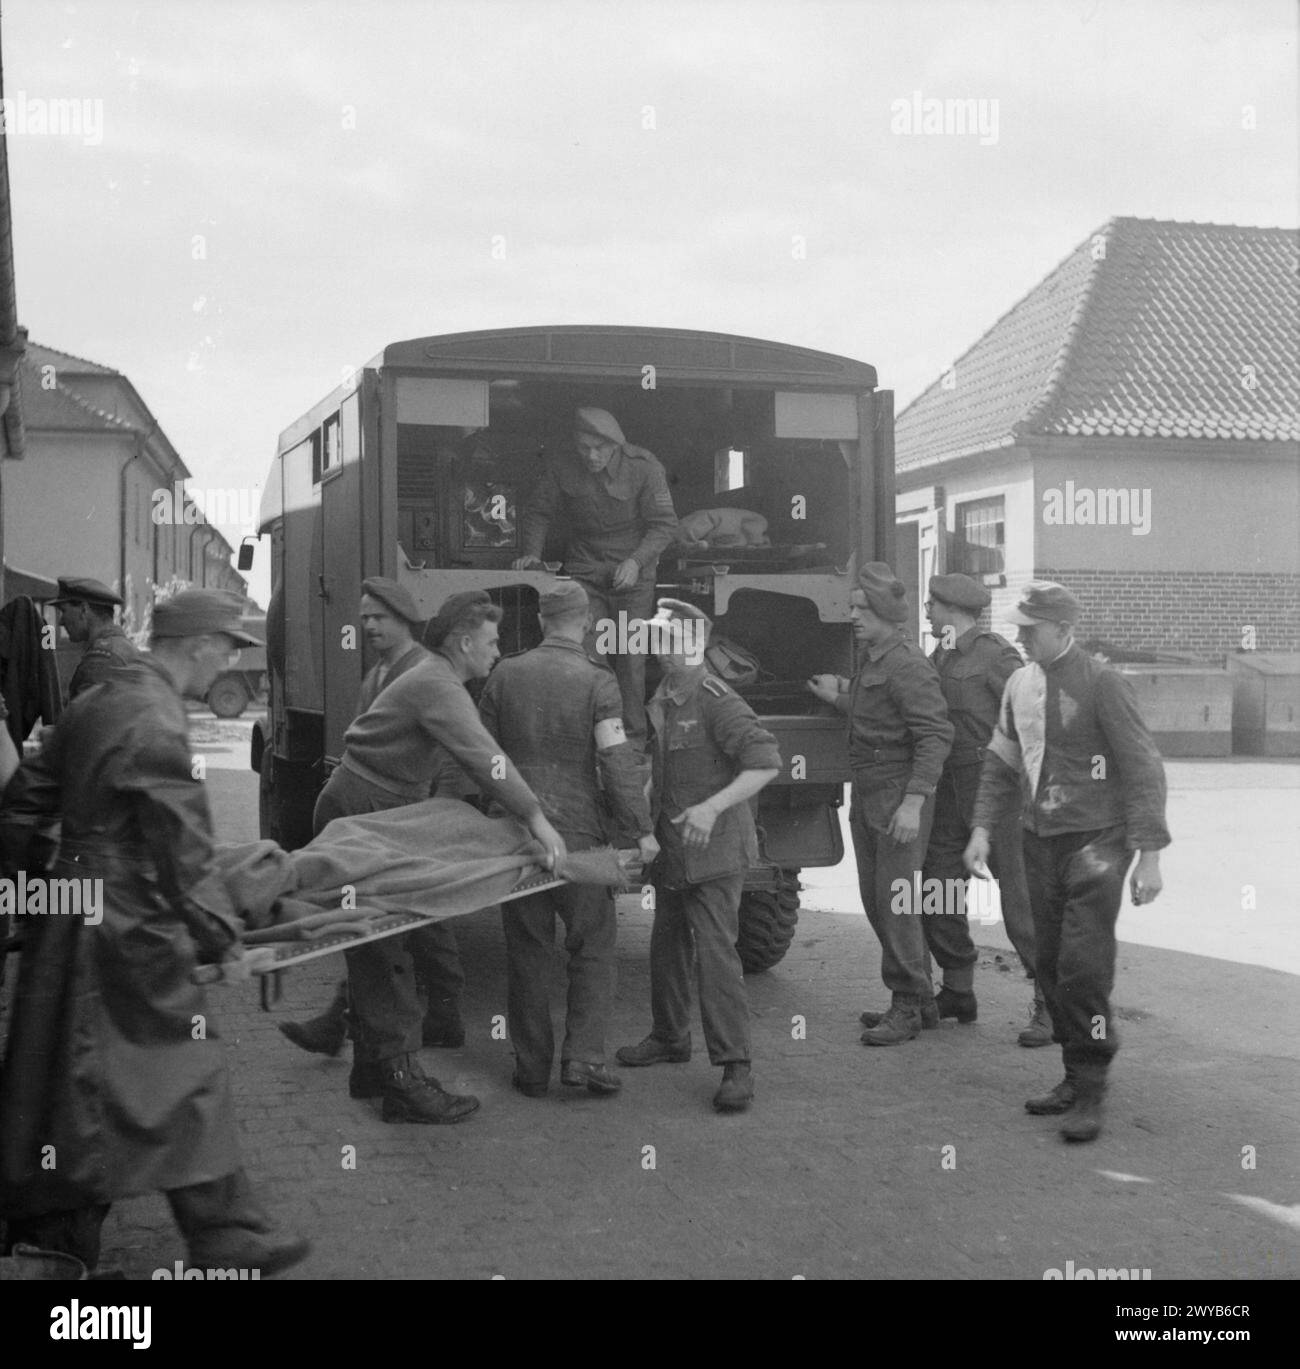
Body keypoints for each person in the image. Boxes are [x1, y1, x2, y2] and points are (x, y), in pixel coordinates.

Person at [0, 589, 309, 1275]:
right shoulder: (158, 722)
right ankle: (211, 1231)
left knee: (60, 1074)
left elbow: (21, 803)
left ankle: (67, 1235)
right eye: (226, 646)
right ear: (198, 645)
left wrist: (36, 892)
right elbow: (185, 852)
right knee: (174, 1065)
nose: (229, 660)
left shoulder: (97, 701)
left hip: (69, 909)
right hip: (129, 922)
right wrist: (224, 938)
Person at [315, 589, 567, 1124]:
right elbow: (487, 761)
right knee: (389, 950)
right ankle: (402, 1084)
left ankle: (372, 1071)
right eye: (493, 641)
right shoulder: (438, 683)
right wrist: (536, 819)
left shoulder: (434, 675)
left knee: (373, 946)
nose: (498, 651)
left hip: (365, 800)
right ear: (465, 640)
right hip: (367, 803)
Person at [964, 581, 1170, 1143]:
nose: (1022, 636)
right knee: (1051, 963)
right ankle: (1073, 1076)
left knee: (1083, 966)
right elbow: (1000, 763)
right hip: (1038, 839)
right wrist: (982, 828)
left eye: (1031, 628)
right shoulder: (1019, 683)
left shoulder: (1104, 683)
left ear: (1063, 628)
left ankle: (1092, 1085)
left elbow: (1144, 768)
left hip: (1098, 844)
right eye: (1019, 627)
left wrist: (1150, 857)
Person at [479, 581, 658, 1098]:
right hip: (579, 837)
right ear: (586, 623)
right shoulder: (597, 681)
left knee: (529, 951)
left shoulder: (505, 674)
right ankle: (583, 1059)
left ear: (539, 621)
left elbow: (482, 756)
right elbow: (616, 761)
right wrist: (641, 829)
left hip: (518, 836)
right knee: (594, 946)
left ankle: (531, 1069)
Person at [278, 577, 466, 1058]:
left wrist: (437, 809)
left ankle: (443, 1017)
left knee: (426, 914)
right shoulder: (378, 673)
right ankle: (346, 1022)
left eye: (378, 618)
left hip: (413, 811)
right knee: (383, 917)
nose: (368, 626)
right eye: (363, 618)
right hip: (383, 812)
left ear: (405, 620)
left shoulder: (425, 670)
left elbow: (451, 746)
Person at [862, 572, 1050, 1045]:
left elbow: (1034, 719)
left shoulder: (996, 655)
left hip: (998, 792)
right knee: (938, 893)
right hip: (948, 791)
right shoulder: (938, 656)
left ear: (954, 610)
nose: (925, 611)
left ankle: (1051, 1005)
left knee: (1020, 902)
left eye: (932, 604)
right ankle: (959, 992)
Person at [616, 599, 780, 1112]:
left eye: (662, 640)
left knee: (715, 954)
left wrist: (711, 808)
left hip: (714, 851)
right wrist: (640, 825)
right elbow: (661, 773)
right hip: (673, 848)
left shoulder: (716, 698)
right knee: (666, 945)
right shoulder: (665, 693)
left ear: (689, 643)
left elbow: (765, 763)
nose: (653, 648)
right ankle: (669, 1036)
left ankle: (736, 1066)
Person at [807, 562, 953, 1046]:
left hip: (896, 793)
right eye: (851, 608)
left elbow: (934, 735)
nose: (853, 617)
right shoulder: (875, 658)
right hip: (870, 790)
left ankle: (907, 1004)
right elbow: (877, 712)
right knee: (877, 900)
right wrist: (837, 698)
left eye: (861, 609)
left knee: (896, 902)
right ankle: (924, 1000)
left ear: (888, 615)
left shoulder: (908, 663)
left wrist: (912, 804)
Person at [512, 407, 678, 749]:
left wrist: (635, 562)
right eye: (584, 447)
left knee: (629, 659)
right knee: (588, 653)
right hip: (586, 568)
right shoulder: (561, 465)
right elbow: (539, 512)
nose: (591, 455)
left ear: (616, 445)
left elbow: (664, 525)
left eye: (599, 448)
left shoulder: (645, 468)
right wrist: (532, 553)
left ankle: (630, 742)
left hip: (634, 573)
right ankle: (591, 737)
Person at [49, 575, 141, 700]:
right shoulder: (125, 648)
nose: (61, 621)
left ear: (83, 610)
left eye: (64, 611)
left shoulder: (100, 662)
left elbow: (87, 717)